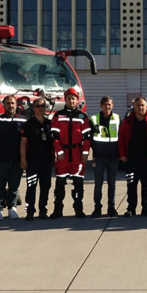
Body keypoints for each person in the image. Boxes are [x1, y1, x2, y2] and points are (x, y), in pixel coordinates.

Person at [50, 88, 92, 218]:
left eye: (73, 98)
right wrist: (59, 151)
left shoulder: (82, 117)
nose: (71, 101)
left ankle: (79, 209)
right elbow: (54, 136)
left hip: (77, 154)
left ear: (77, 100)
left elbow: (87, 138)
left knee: (78, 184)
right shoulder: (58, 115)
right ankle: (57, 210)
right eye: (68, 98)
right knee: (60, 183)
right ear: (65, 99)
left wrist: (85, 153)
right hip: (63, 155)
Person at [118, 96, 147, 217]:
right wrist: (122, 154)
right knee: (131, 185)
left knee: (146, 186)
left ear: (146, 107)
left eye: (142, 105)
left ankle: (146, 208)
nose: (140, 107)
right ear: (134, 107)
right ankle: (131, 208)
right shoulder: (127, 122)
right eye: (138, 105)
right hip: (131, 160)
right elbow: (121, 138)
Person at [0, 95, 26, 220]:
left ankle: (12, 208)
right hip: (1, 161)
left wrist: (24, 159)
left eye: (12, 103)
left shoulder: (23, 120)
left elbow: (26, 141)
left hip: (17, 161)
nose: (10, 105)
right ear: (3, 105)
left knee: (14, 186)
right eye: (8, 103)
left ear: (16, 104)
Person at [21, 96, 54, 219]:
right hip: (32, 160)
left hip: (46, 161)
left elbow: (53, 144)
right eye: (38, 106)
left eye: (43, 106)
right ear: (33, 108)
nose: (40, 108)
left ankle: (43, 210)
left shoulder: (49, 124)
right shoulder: (28, 124)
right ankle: (30, 210)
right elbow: (23, 143)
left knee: (45, 186)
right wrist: (23, 159)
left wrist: (54, 158)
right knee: (31, 186)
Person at [89, 96, 120, 217]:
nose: (107, 107)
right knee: (98, 184)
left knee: (112, 184)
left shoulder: (117, 118)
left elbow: (121, 136)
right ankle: (97, 208)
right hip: (99, 157)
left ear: (112, 105)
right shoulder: (94, 119)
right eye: (105, 104)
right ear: (101, 105)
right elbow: (89, 139)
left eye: (109, 104)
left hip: (113, 157)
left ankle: (111, 208)